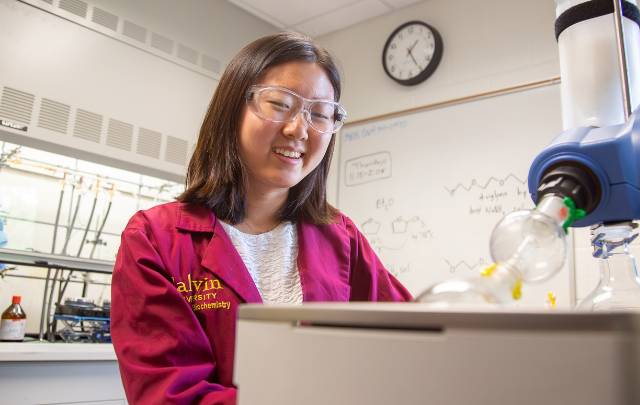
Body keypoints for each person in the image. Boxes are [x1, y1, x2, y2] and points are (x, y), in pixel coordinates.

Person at [110, 32, 413, 405]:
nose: (299, 129)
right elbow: (169, 394)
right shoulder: (155, 238)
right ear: (231, 110)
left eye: (319, 114)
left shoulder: (341, 237)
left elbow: (411, 338)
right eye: (280, 104)